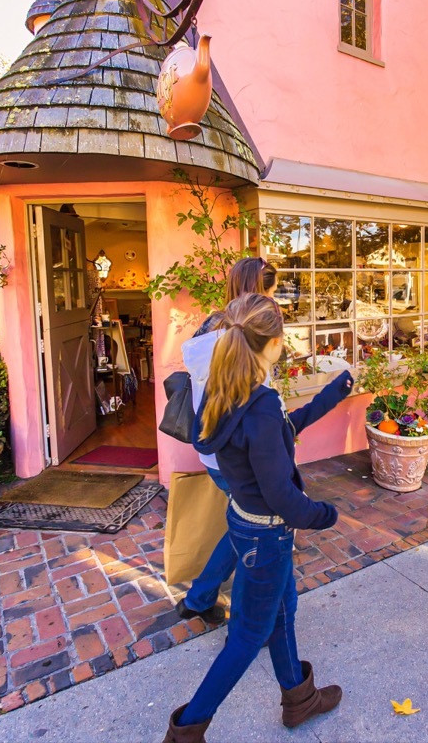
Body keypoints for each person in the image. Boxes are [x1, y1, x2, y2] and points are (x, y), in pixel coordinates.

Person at [165, 293, 353, 741]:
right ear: (269, 342)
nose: (285, 342)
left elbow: (284, 430)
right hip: (266, 535)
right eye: (282, 334)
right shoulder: (259, 403)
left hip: (246, 523)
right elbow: (282, 496)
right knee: (248, 636)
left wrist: (336, 390)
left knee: (283, 612)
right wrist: (325, 514)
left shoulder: (227, 392)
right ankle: (187, 730)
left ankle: (299, 699)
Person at [176, 257, 278, 625]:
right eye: (271, 288)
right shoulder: (254, 331)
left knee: (244, 522)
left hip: (213, 446)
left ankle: (200, 598)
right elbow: (256, 399)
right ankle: (207, 600)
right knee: (253, 528)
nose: (274, 296)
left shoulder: (210, 326)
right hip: (242, 452)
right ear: (261, 288)